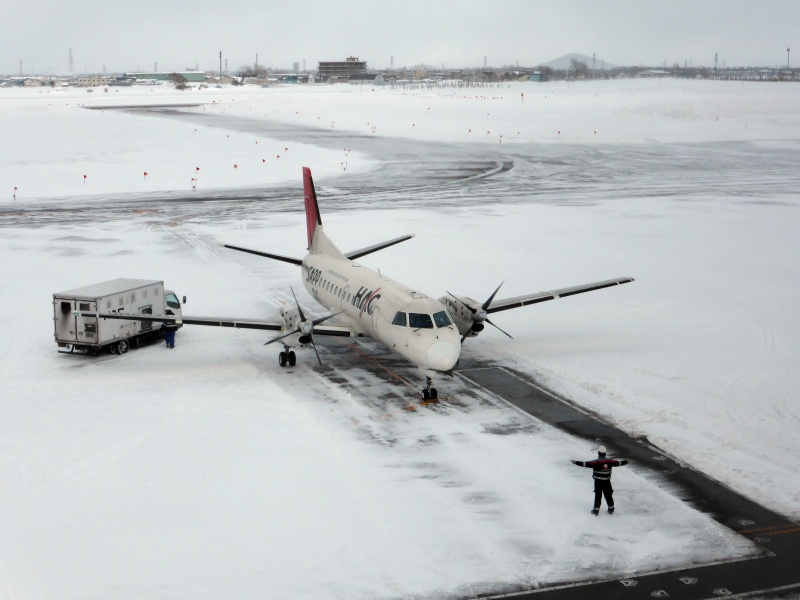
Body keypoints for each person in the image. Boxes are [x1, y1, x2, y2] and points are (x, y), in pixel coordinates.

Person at [571, 446, 628, 515]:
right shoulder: (610, 461)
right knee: (608, 494)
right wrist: (627, 461)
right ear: (605, 453)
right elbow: (619, 463)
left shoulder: (595, 462)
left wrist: (575, 462)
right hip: (607, 481)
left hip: (598, 482)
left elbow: (585, 464)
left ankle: (596, 510)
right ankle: (611, 508)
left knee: (598, 495)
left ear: (598, 453)